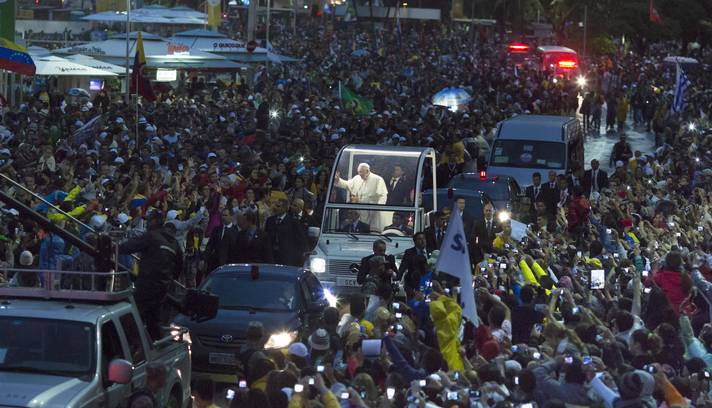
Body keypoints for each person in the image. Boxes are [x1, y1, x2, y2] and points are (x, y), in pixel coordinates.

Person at [119, 211, 183, 340]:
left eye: (148, 220)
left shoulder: (151, 236)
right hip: (163, 287)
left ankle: (132, 348)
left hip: (147, 284)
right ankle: (156, 345)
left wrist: (114, 246)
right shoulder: (174, 242)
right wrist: (169, 279)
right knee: (154, 320)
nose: (147, 223)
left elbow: (128, 247)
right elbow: (179, 265)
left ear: (153, 221)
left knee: (133, 317)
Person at [333, 163, 388, 230]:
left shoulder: (378, 179)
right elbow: (347, 184)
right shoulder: (357, 178)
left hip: (373, 212)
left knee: (372, 230)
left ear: (367, 171)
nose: (359, 174)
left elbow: (383, 195)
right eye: (358, 172)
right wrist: (338, 180)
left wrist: (378, 208)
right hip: (359, 211)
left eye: (361, 172)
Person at [264, 198, 308, 266]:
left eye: (278, 206)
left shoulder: (293, 222)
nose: (275, 208)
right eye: (276, 205)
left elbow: (301, 240)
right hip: (271, 256)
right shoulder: (270, 220)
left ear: (285, 208)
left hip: (287, 257)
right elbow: (266, 237)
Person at [204, 208, 239, 272]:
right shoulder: (216, 229)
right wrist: (205, 259)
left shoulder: (236, 231)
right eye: (222, 215)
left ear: (231, 216)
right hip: (215, 264)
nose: (223, 217)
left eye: (225, 215)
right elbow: (210, 245)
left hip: (229, 264)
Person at [397, 232, 428, 299]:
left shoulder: (431, 251)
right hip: (412, 282)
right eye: (419, 239)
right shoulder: (409, 252)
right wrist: (397, 278)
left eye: (424, 239)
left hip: (427, 281)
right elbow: (403, 267)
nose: (422, 241)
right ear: (415, 241)